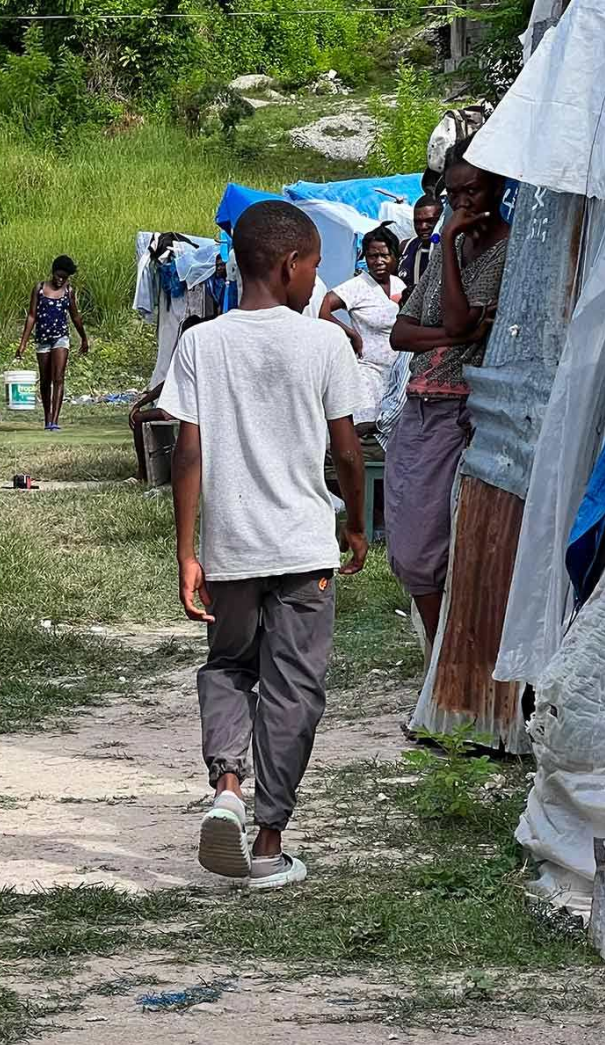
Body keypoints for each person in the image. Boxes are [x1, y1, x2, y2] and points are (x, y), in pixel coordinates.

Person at [161, 199, 372, 891]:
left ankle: (226, 787)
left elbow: (186, 452)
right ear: (289, 265)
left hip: (232, 549)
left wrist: (188, 550)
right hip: (304, 548)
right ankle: (269, 840)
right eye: (313, 264)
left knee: (228, 669)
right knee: (293, 690)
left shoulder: (201, 343)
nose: (316, 277)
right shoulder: (323, 343)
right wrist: (358, 523)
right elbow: (346, 450)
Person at [387, 140, 510, 649]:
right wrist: (455, 335)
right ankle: (443, 665)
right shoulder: (446, 251)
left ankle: (447, 664)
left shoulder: (511, 249)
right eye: (454, 194)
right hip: (417, 405)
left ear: (498, 187)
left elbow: (453, 317)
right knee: (407, 541)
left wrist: (451, 327)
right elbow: (401, 333)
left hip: (459, 409)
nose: (462, 203)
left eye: (473, 190)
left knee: (431, 549)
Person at [318, 224, 405, 423]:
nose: (379, 261)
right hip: (368, 373)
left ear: (394, 256)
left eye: (385, 255)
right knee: (366, 429)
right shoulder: (357, 286)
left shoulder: (399, 284)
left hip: (397, 376)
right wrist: (350, 333)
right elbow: (320, 306)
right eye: (373, 256)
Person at [16, 255, 89, 432]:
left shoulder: (68, 291)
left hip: (60, 338)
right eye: (59, 275)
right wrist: (23, 343)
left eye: (65, 277)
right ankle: (47, 417)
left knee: (58, 377)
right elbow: (32, 315)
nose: (61, 280)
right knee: (45, 379)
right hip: (42, 340)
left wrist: (84, 338)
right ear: (53, 272)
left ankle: (54, 420)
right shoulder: (40, 288)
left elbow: (75, 316)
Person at [129, 315, 205, 483]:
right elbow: (167, 383)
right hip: (186, 406)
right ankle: (144, 471)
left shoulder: (198, 352)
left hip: (191, 409)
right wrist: (140, 402)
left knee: (140, 418)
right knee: (140, 416)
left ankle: (142, 473)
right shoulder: (190, 352)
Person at [399, 193, 442, 299]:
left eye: (430, 221)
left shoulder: (452, 249)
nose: (423, 227)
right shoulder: (405, 247)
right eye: (418, 222)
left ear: (441, 219)